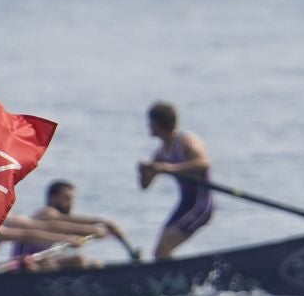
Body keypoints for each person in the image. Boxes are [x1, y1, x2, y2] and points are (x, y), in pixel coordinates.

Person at [136, 101, 212, 260]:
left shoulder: (186, 140)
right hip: (185, 205)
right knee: (159, 252)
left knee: (164, 246)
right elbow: (145, 186)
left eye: (150, 122)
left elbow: (204, 163)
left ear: (157, 124)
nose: (147, 126)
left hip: (201, 204)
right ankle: (176, 280)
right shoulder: (160, 152)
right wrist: (143, 172)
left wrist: (170, 168)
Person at [19, 180, 128, 269]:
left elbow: (70, 223)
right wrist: (100, 223)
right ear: (53, 198)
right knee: (78, 260)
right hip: (26, 266)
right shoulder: (45, 213)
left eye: (72, 199)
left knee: (96, 264)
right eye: (66, 198)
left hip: (43, 264)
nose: (71, 204)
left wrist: (101, 225)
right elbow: (66, 223)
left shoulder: (58, 218)